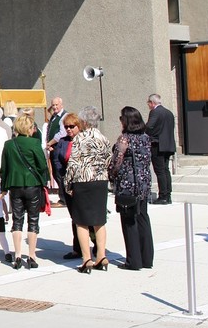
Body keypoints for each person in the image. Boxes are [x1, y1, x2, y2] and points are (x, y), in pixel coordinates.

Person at [63, 106, 112, 273]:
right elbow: (108, 160)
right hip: (100, 181)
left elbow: (73, 163)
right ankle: (102, 256)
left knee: (82, 221)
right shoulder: (103, 138)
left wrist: (68, 185)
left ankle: (86, 259)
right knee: (99, 220)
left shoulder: (79, 139)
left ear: (83, 122)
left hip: (83, 181)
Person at [0, 114, 49, 270]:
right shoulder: (34, 143)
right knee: (33, 220)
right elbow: (42, 165)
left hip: (15, 184)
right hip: (32, 184)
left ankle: (18, 255)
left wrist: (3, 187)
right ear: (29, 128)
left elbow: (4, 168)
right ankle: (32, 255)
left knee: (17, 220)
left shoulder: (9, 144)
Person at [110, 106, 155, 270]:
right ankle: (147, 259)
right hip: (143, 183)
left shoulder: (124, 139)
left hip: (128, 185)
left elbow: (116, 162)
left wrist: (111, 174)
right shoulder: (145, 138)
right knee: (143, 218)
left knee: (129, 221)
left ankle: (133, 261)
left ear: (126, 121)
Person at [51, 112, 92, 260]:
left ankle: (95, 244)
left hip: (84, 184)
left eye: (71, 126)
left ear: (78, 126)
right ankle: (77, 249)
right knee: (75, 217)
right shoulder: (62, 142)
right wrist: (63, 179)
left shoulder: (85, 140)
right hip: (68, 184)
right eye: (66, 127)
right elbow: (56, 161)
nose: (68, 129)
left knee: (88, 217)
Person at [145, 94, 176, 204]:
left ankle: (163, 196)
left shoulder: (155, 112)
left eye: (148, 103)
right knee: (165, 170)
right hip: (168, 145)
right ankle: (168, 195)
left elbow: (149, 126)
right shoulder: (169, 113)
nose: (148, 106)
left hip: (157, 145)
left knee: (160, 171)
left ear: (152, 103)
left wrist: (147, 135)